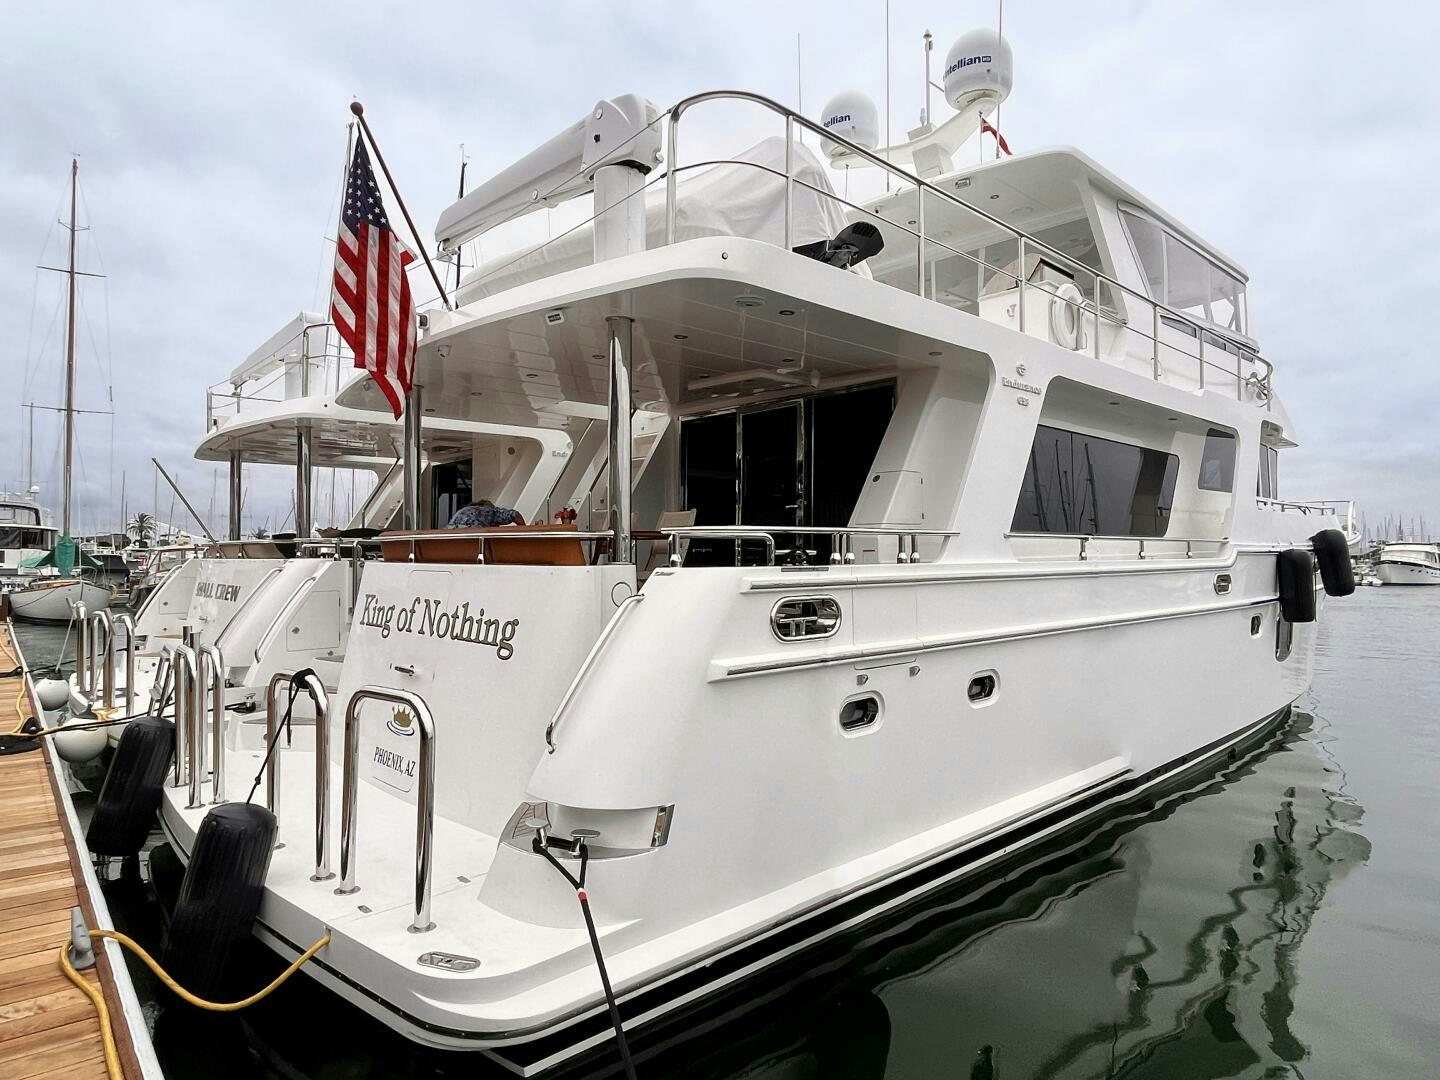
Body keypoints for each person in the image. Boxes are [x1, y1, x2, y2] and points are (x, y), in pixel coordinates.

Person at [447, 498, 526, 528]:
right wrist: (524, 531)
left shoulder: (463, 510)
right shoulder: (488, 510)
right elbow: (514, 514)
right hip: (474, 539)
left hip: (451, 538)